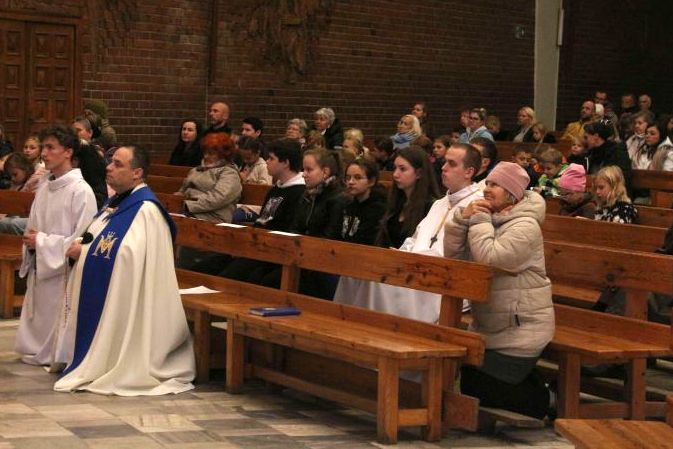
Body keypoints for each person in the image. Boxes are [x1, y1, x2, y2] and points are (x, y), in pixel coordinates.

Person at [54, 145, 195, 395]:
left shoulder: (146, 210)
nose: (108, 167)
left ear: (137, 173)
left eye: (118, 164)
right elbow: (98, 237)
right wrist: (82, 244)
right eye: (110, 161)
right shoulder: (117, 203)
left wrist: (84, 252)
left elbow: (128, 256)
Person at [444, 161, 553, 419]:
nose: (487, 189)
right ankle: (536, 385)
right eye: (488, 183)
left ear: (512, 194)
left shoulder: (525, 226)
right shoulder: (492, 218)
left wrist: (478, 218)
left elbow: (491, 260)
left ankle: (549, 400)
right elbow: (454, 258)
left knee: (478, 385)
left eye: (496, 185)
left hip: (521, 328)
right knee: (470, 379)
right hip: (489, 326)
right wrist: (460, 221)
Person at [334, 143, 483, 322]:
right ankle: (345, 324)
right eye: (444, 162)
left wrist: (414, 260)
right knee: (355, 273)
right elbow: (415, 239)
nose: (443, 168)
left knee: (378, 280)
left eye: (451, 164)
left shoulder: (477, 204)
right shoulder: (440, 203)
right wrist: (401, 253)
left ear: (469, 171)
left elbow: (467, 254)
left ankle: (376, 328)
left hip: (442, 280)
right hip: (416, 268)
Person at [14, 125, 98, 368]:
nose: (44, 153)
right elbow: (33, 225)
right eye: (43, 147)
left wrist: (41, 241)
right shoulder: (44, 186)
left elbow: (83, 241)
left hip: (62, 272)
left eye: (51, 148)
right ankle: (35, 346)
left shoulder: (81, 191)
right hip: (42, 263)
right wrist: (33, 242)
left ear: (68, 152)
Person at [219, 139, 306, 280]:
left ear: (285, 162)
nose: (266, 162)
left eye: (271, 158)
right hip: (256, 244)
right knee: (214, 262)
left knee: (230, 276)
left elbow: (286, 230)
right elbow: (262, 220)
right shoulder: (276, 189)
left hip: (272, 252)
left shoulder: (299, 192)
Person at [376, 146, 440, 248]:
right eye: (395, 168)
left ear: (419, 173)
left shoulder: (431, 208)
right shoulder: (396, 202)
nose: (395, 174)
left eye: (402, 169)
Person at [177, 133, 242, 223]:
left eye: (211, 153)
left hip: (213, 216)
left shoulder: (229, 173)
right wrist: (175, 199)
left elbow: (218, 198)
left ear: (223, 155)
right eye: (205, 152)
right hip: (189, 212)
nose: (206, 156)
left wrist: (187, 205)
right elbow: (183, 190)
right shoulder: (196, 170)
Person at [341, 158, 387, 245]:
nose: (350, 182)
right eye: (348, 177)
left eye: (357, 177)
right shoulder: (348, 205)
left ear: (371, 181)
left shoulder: (378, 209)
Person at [583, 120, 632, 193]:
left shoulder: (616, 151)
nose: (585, 141)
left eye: (586, 137)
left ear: (596, 136)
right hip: (595, 191)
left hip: (614, 192)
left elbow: (624, 176)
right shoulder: (590, 153)